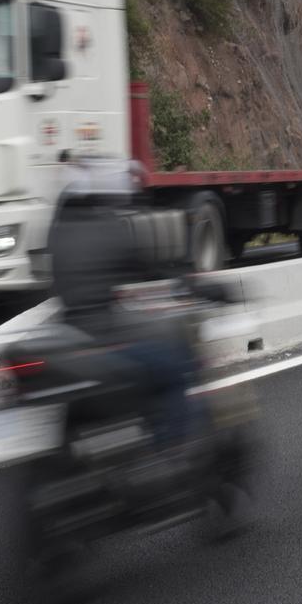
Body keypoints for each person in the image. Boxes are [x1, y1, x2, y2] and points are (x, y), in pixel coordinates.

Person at [48, 158, 201, 443]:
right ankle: (171, 449)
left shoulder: (57, 232)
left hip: (71, 332)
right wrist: (186, 280)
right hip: (104, 335)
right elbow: (146, 269)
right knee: (175, 366)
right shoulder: (111, 228)